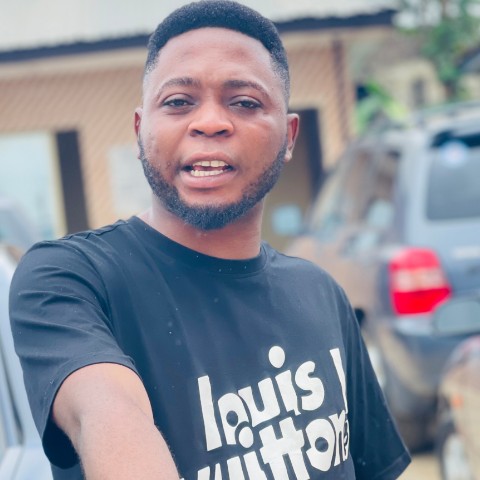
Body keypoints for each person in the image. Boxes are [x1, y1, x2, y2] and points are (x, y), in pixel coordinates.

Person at [9, 1, 411, 479]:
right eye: (179, 102)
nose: (210, 122)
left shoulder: (321, 294)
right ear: (140, 130)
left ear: (288, 136)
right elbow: (108, 412)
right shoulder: (71, 279)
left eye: (244, 102)